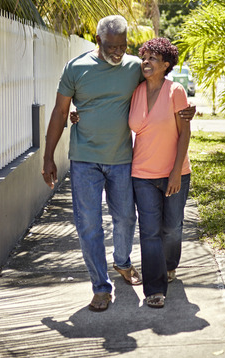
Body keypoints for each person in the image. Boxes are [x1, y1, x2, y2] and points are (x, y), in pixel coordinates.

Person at [41, 16, 194, 312]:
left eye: (123, 46)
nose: (117, 52)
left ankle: (122, 261)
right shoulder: (76, 68)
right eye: (111, 46)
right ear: (98, 41)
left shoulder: (134, 68)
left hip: (123, 159)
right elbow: (61, 112)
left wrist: (187, 109)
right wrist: (48, 156)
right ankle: (101, 288)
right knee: (89, 224)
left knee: (126, 219)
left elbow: (162, 85)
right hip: (84, 158)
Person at [129, 37, 192, 309]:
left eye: (153, 58)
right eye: (144, 57)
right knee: (150, 231)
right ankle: (154, 288)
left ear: (166, 65)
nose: (146, 62)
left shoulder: (175, 90)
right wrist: (79, 116)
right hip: (141, 173)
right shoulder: (135, 91)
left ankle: (169, 265)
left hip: (174, 172)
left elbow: (185, 132)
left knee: (172, 228)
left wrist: (176, 172)